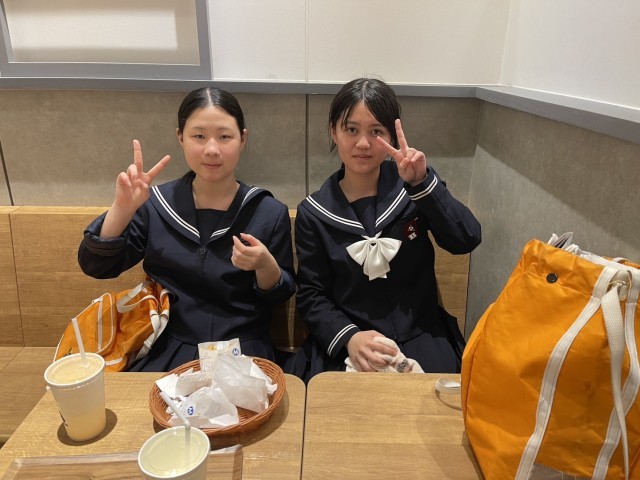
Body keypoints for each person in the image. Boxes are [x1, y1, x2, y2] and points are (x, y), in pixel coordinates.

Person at [78, 86, 296, 371]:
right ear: (180, 137)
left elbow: (281, 295)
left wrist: (265, 265)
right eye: (199, 136)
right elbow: (96, 266)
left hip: (243, 349)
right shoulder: (156, 205)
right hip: (165, 346)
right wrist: (122, 208)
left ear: (243, 139)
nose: (212, 149)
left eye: (225, 136)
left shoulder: (268, 211)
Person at [286, 78, 481, 382]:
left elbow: (466, 238)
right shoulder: (314, 212)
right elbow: (312, 295)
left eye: (376, 131)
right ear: (333, 131)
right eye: (351, 130)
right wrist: (350, 337)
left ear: (391, 135)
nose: (363, 143)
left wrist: (422, 184)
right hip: (351, 340)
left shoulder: (413, 187)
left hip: (421, 335)